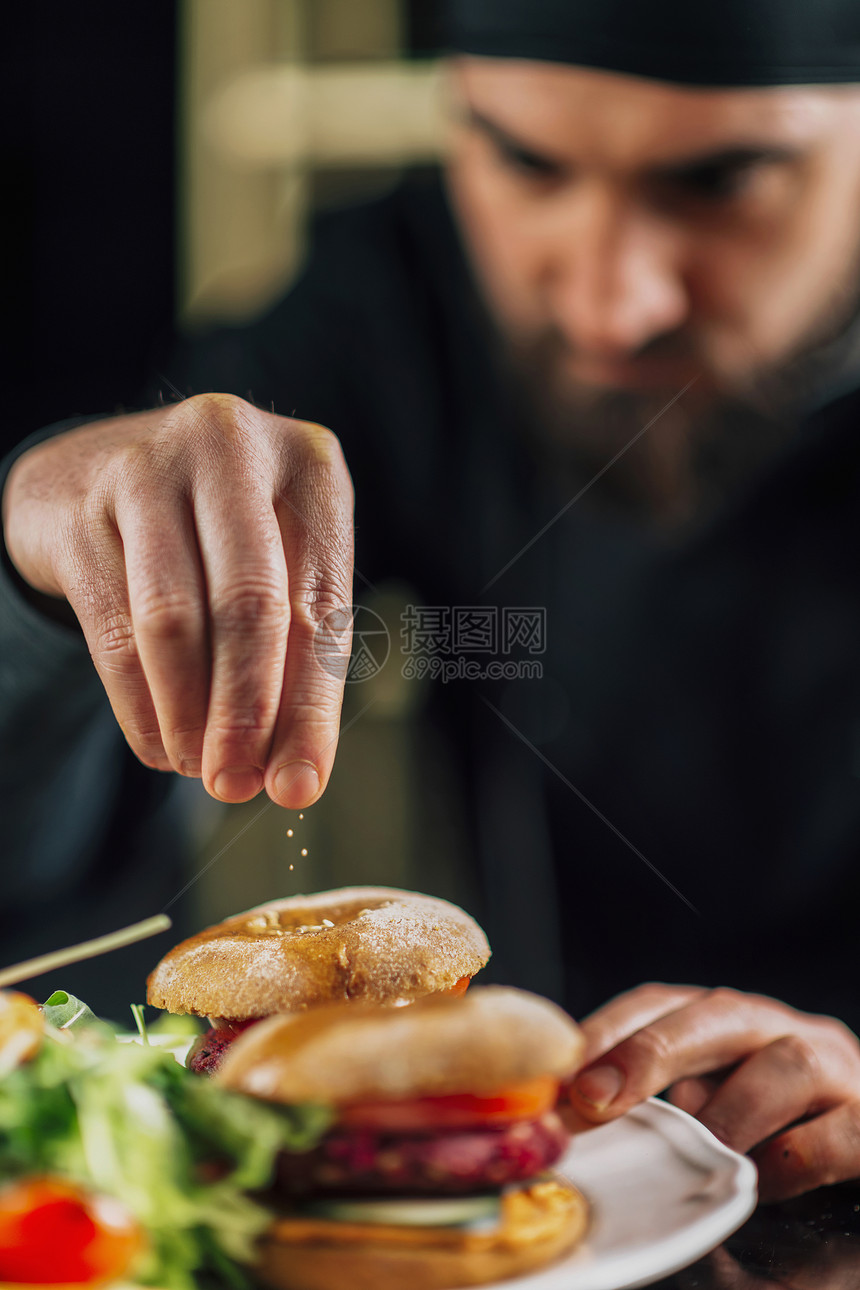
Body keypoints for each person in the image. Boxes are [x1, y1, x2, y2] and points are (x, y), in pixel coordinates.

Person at [4, 0, 860, 1201]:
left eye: (721, 180)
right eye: (523, 162)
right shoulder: (393, 300)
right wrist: (34, 561)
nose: (609, 305)